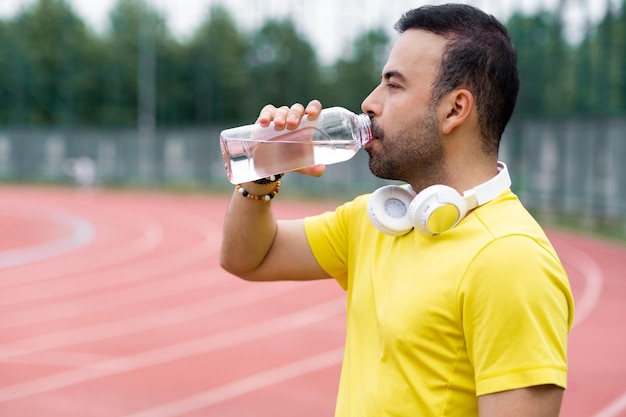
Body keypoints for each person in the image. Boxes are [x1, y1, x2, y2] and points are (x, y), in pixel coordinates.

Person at [220, 4, 574, 417]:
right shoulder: (382, 221)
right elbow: (248, 257)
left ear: (455, 109)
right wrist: (263, 170)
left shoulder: (511, 260)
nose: (369, 103)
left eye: (394, 85)